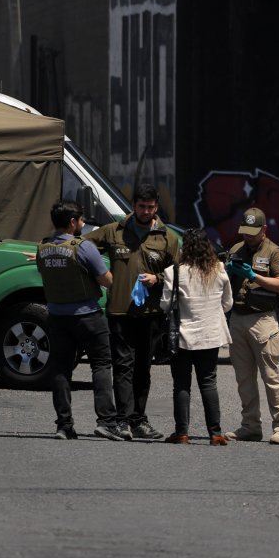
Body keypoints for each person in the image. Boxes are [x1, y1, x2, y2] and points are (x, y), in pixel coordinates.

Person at [85, 184, 179, 440]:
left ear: (156, 207)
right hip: (119, 312)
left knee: (142, 369)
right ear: (133, 205)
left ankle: (139, 420)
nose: (146, 211)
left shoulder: (168, 237)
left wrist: (157, 278)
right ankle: (123, 421)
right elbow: (82, 247)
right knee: (122, 366)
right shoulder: (114, 231)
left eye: (150, 207)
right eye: (141, 206)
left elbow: (178, 273)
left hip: (151, 315)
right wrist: (98, 275)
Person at [35, 201, 130, 441]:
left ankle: (64, 425)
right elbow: (107, 280)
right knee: (101, 365)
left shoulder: (42, 247)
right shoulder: (83, 247)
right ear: (72, 223)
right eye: (80, 220)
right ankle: (106, 422)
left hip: (56, 317)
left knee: (61, 370)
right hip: (88, 315)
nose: (83, 223)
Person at [223, 207, 279, 445]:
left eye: (253, 232)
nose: (248, 236)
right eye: (245, 231)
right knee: (244, 377)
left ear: (264, 229)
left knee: (271, 376)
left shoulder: (275, 253)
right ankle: (250, 425)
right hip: (238, 318)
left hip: (262, 319)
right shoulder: (235, 250)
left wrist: (254, 276)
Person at [160, 228, 232, 445]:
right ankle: (216, 433)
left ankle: (181, 433)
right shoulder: (219, 269)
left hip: (182, 337)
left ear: (184, 248)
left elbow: (165, 305)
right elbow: (228, 303)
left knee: (181, 385)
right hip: (210, 336)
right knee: (209, 382)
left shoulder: (174, 272)